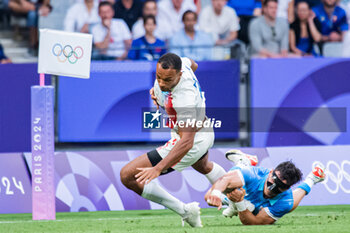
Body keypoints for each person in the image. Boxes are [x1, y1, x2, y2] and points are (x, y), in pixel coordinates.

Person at [120, 53, 227, 228]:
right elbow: (194, 64)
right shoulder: (182, 64)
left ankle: (186, 211)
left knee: (128, 176)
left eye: (168, 80)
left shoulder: (185, 98)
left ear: (179, 74)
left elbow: (186, 142)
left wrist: (158, 168)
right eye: (158, 77)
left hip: (193, 140)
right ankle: (241, 198)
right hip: (202, 129)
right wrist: (160, 96)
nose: (161, 83)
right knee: (203, 166)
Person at [205, 150, 326, 225]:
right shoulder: (252, 174)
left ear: (287, 188)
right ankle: (243, 161)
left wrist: (240, 203)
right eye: (274, 180)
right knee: (209, 197)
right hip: (243, 180)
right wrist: (215, 193)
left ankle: (312, 179)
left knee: (290, 205)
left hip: (247, 200)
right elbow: (224, 180)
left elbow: (254, 222)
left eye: (281, 186)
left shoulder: (285, 199)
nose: (273, 187)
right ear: (270, 172)